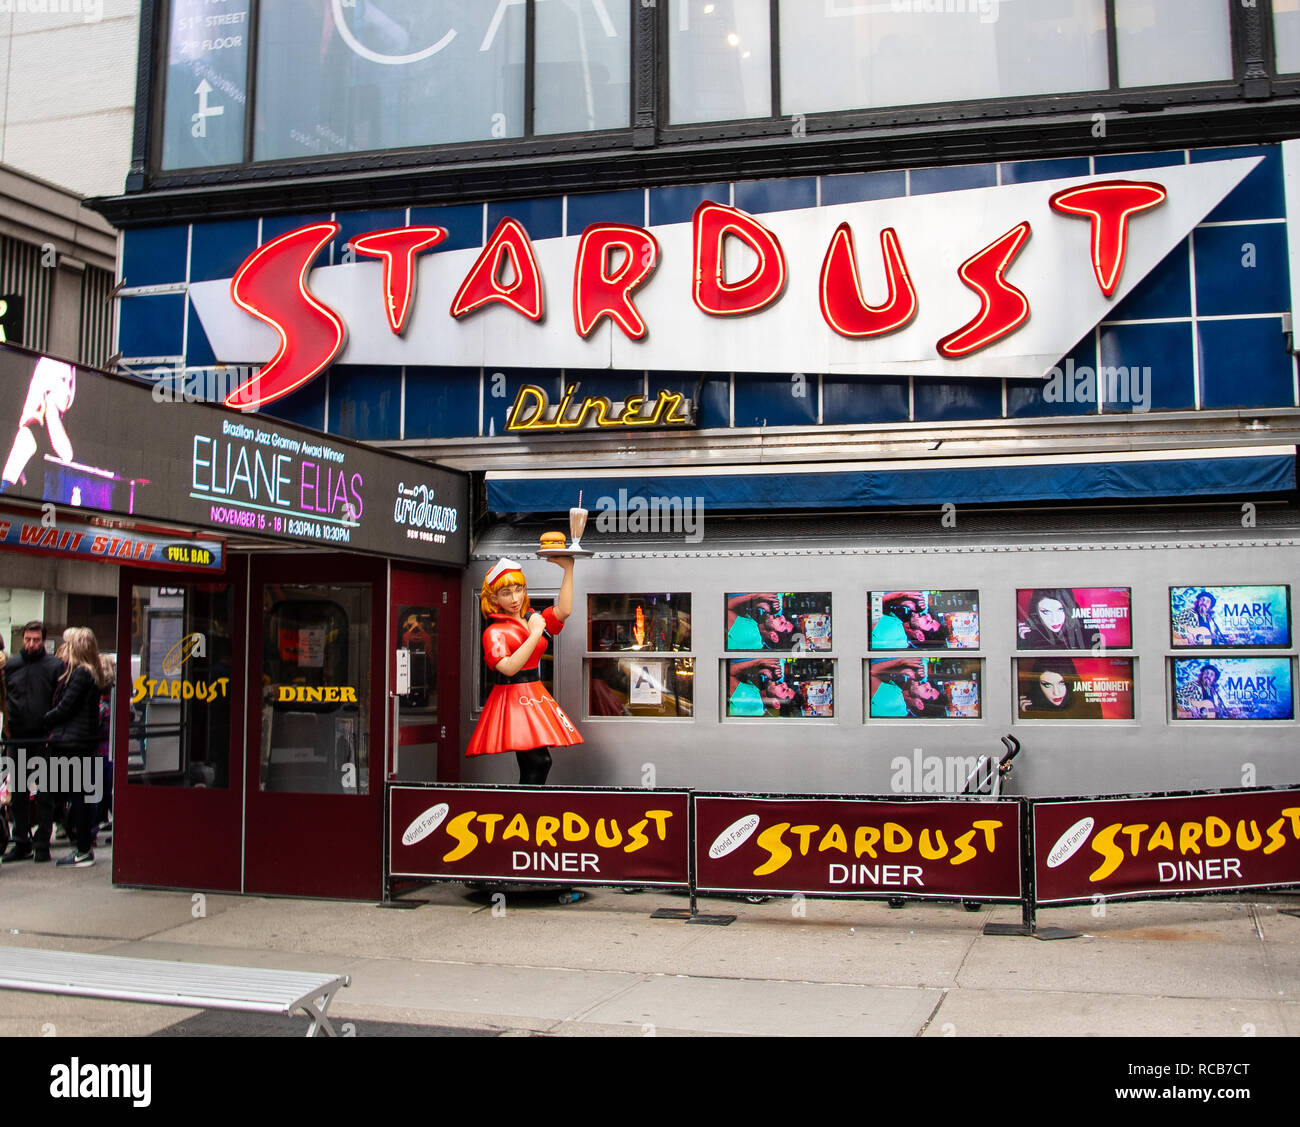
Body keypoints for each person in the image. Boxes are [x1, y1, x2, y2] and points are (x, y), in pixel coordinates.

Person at [466, 558, 582, 784]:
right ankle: (526, 808)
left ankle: (528, 807)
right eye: (506, 593)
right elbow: (508, 667)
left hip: (533, 694)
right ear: (494, 598)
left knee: (538, 762)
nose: (515, 598)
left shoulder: (530, 619)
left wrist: (569, 569)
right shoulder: (495, 632)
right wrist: (535, 633)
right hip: (513, 698)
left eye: (518, 590)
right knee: (538, 762)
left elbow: (564, 610)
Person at [1, 621, 63, 862]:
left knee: (45, 794)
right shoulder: (11, 665)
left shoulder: (54, 666)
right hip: (16, 737)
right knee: (17, 793)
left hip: (42, 737)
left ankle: (42, 843)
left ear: (43, 640)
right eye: (28, 639)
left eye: (36, 640)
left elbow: (59, 700)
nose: (31, 644)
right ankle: (21, 841)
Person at [44, 627, 104, 867]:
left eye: (69, 644)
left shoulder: (81, 674)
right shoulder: (89, 673)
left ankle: (82, 849)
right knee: (78, 796)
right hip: (80, 742)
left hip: (74, 743)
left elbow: (66, 707)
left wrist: (45, 718)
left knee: (77, 797)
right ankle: (83, 847)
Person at [1, 356, 76, 493]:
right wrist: (51, 409)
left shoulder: (52, 424)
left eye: (69, 382)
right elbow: (67, 455)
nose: (68, 391)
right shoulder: (30, 430)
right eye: (63, 380)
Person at [1018, 658, 1103, 719]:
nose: (1056, 692)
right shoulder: (1029, 704)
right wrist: (1023, 714)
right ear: (1038, 686)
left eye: (1062, 683)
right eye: (1048, 685)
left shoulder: (1085, 699)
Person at [869, 657, 944, 717]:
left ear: (919, 704)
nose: (927, 683)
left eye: (928, 690)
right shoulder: (901, 711)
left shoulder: (895, 698)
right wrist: (904, 673)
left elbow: (865, 672)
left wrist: (900, 662)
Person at [1017, 588, 1091, 649]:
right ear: (1036, 612)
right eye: (1046, 612)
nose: (1054, 620)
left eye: (1060, 610)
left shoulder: (1084, 627)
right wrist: (1022, 642)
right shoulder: (1032, 630)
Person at [872, 592, 951, 649]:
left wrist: (901, 594)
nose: (928, 615)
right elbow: (882, 608)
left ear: (920, 635)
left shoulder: (896, 632)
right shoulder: (901, 636)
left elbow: (870, 607)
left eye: (928, 621)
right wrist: (904, 603)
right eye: (931, 618)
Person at [726, 593, 796, 650]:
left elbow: (724, 608)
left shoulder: (752, 633)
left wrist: (755, 596)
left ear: (774, 637)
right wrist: (759, 604)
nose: (782, 617)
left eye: (782, 623)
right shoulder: (757, 641)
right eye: (785, 619)